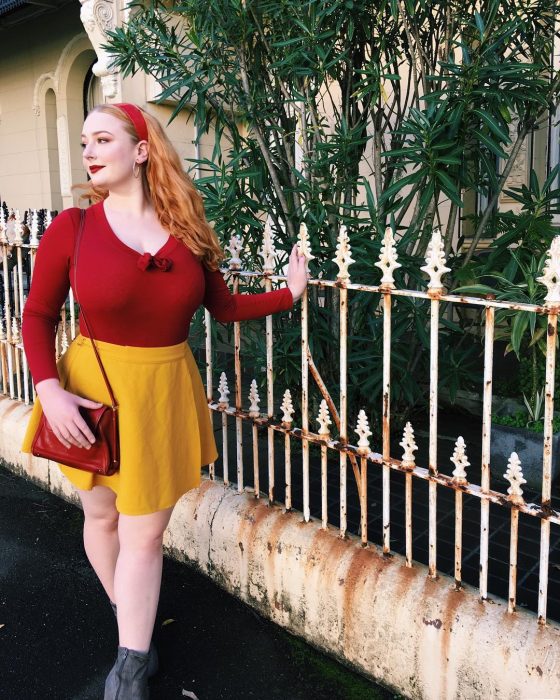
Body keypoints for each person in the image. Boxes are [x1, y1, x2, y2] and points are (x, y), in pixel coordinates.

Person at [20, 103, 308, 699]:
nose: (90, 152)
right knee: (101, 516)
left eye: (103, 139)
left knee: (144, 535)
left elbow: (223, 308)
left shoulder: (188, 230)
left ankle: (129, 666)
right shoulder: (70, 229)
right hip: (91, 393)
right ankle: (138, 630)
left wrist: (288, 294)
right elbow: (38, 315)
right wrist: (49, 390)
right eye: (84, 142)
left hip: (162, 392)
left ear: (143, 149)